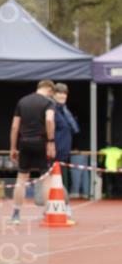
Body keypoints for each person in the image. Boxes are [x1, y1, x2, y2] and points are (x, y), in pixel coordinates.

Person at [9, 79, 57, 224]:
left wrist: (13, 147)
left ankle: (16, 214)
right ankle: (48, 212)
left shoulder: (22, 101)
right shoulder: (49, 102)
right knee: (46, 177)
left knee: (21, 178)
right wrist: (51, 141)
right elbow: (49, 120)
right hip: (41, 142)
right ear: (50, 90)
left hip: (24, 142)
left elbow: (14, 127)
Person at [54, 82, 79, 218]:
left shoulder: (65, 110)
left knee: (63, 180)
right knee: (55, 182)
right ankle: (60, 207)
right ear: (54, 94)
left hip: (64, 151)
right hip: (54, 152)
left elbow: (75, 129)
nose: (62, 96)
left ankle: (64, 207)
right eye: (59, 93)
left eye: (65, 93)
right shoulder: (52, 109)